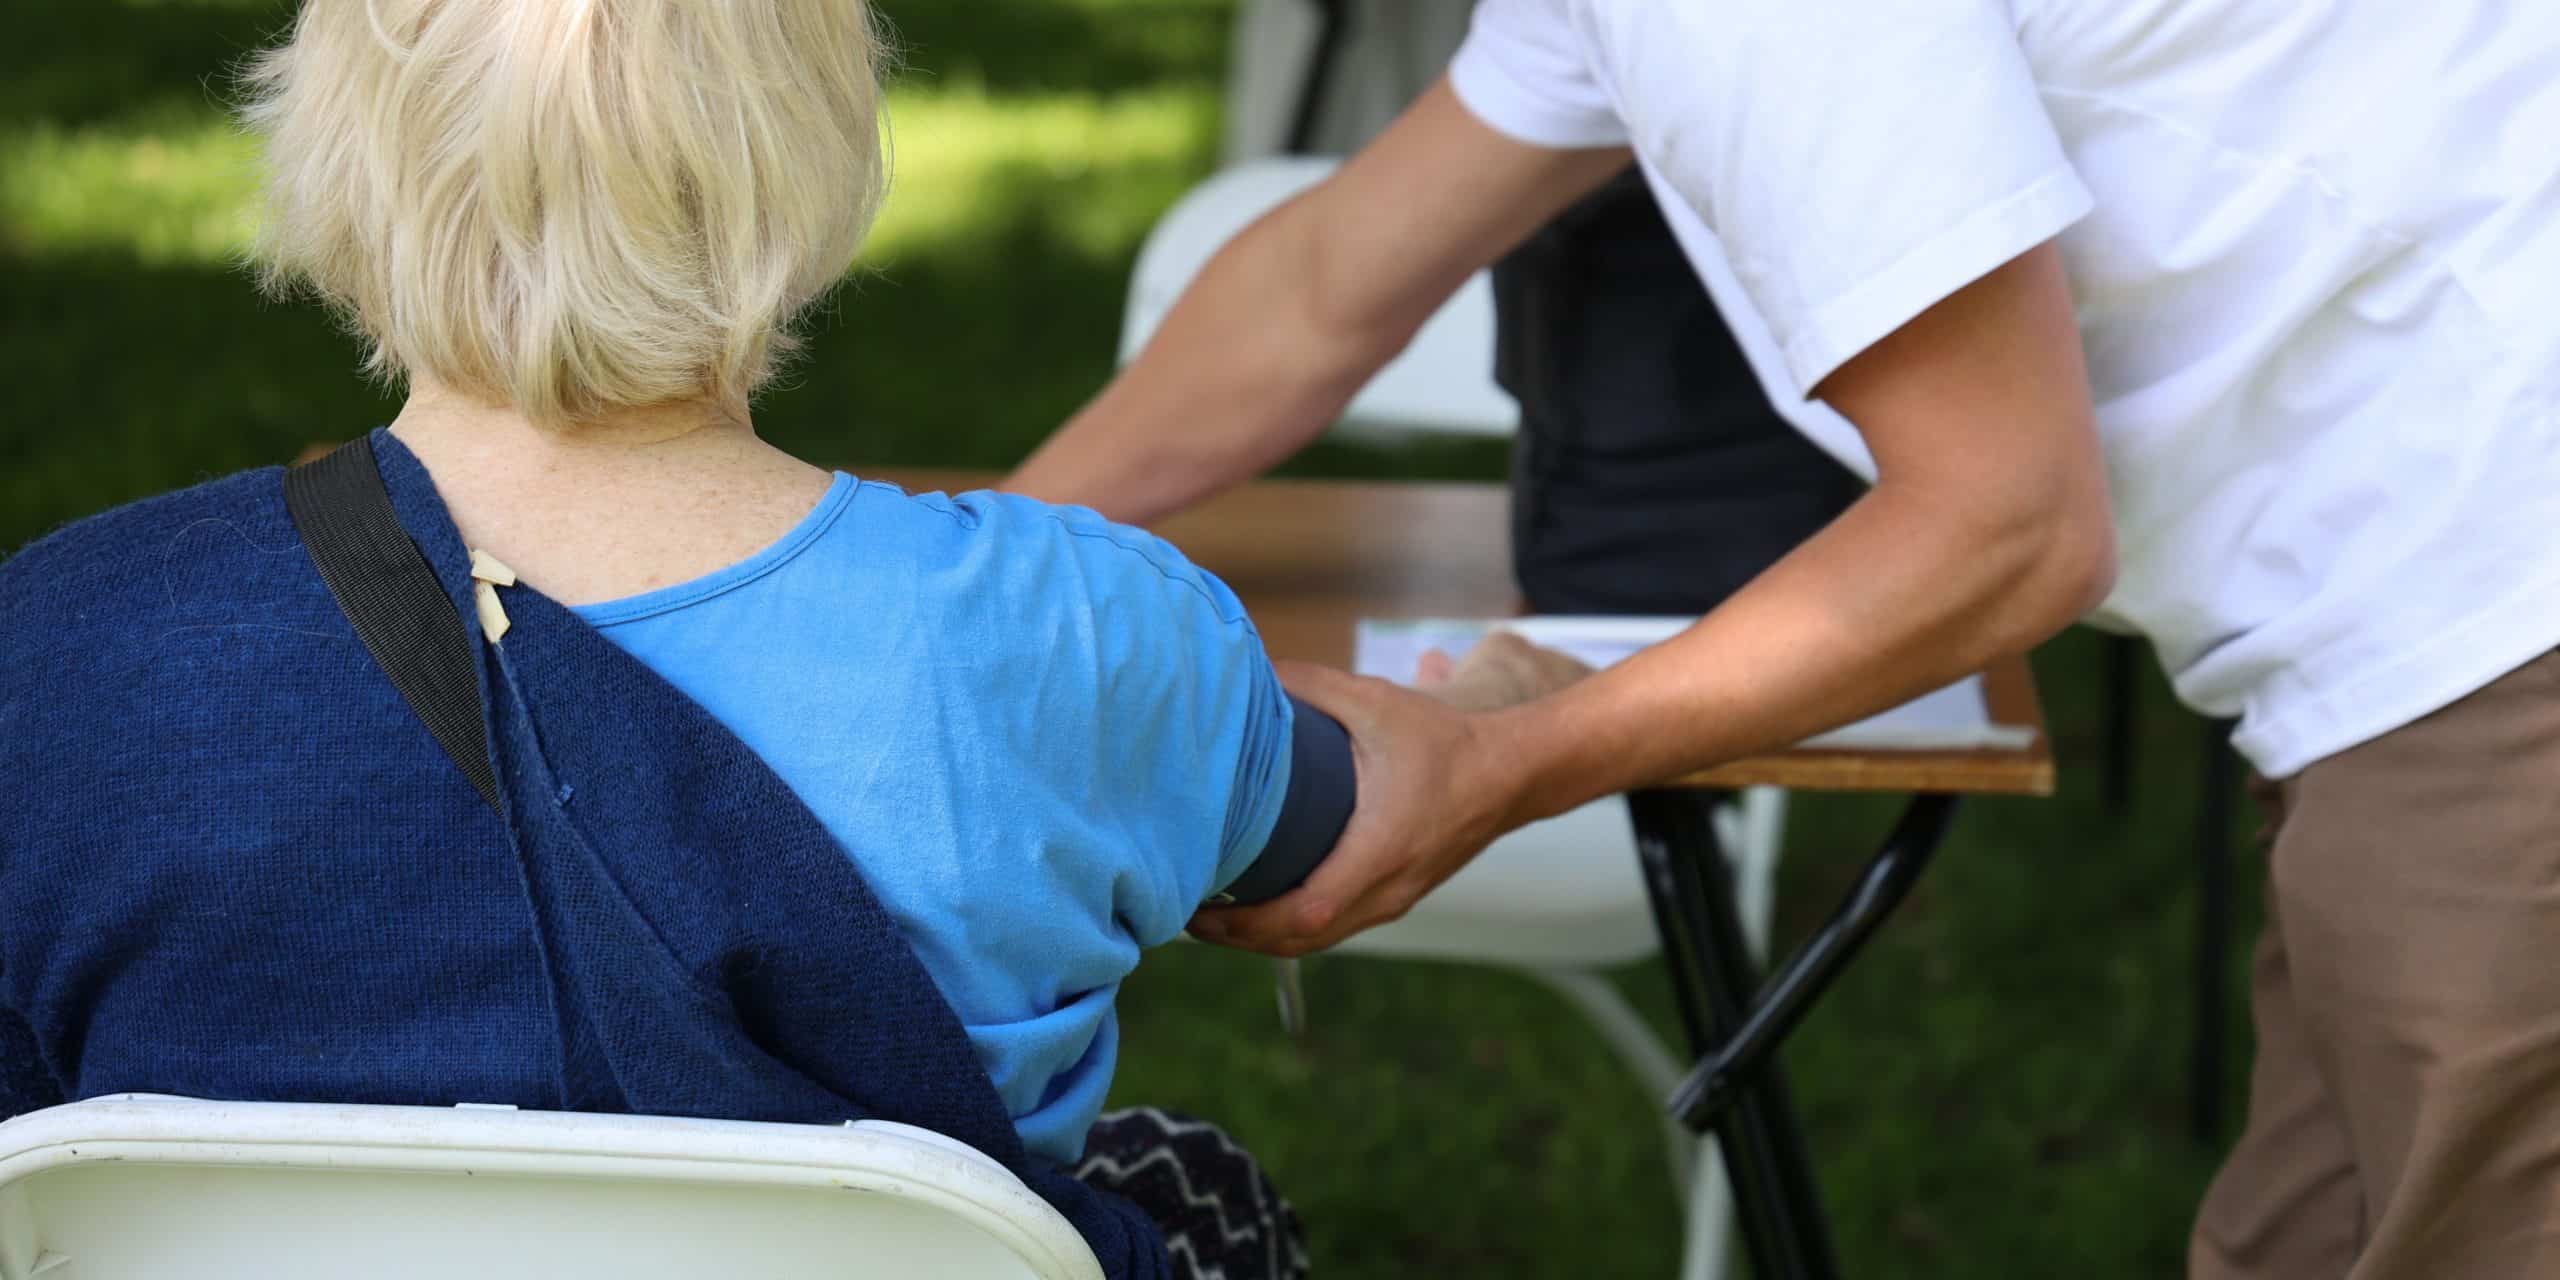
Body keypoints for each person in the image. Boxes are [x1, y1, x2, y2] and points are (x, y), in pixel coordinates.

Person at [0, 2, 1597, 1275]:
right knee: (1193, 1186)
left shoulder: (58, 658)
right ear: (816, 155)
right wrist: (1505, 710)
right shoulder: (1081, 637)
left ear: (333, 145)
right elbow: (1348, 814)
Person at [1007, 1, 2560, 1275]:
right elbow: (1319, 289)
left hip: (2492, 589)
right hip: (2411, 616)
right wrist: (964, 573)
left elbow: (2008, 525)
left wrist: (1509, 760)